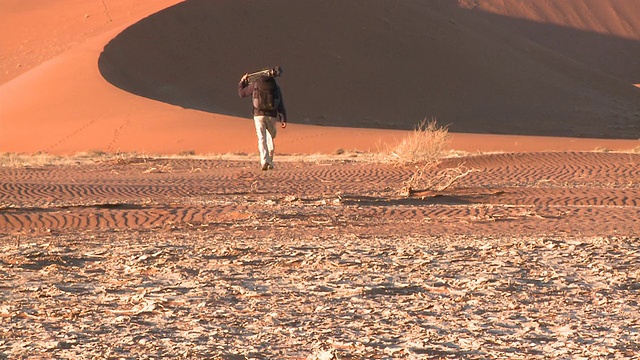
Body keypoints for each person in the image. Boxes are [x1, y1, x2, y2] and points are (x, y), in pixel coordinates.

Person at [238, 70, 287, 170]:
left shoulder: (255, 84)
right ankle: (270, 161)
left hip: (258, 115)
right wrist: (283, 118)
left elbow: (242, 93)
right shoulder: (275, 87)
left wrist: (242, 82)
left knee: (261, 139)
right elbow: (280, 103)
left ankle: (264, 161)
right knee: (270, 137)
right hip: (272, 116)